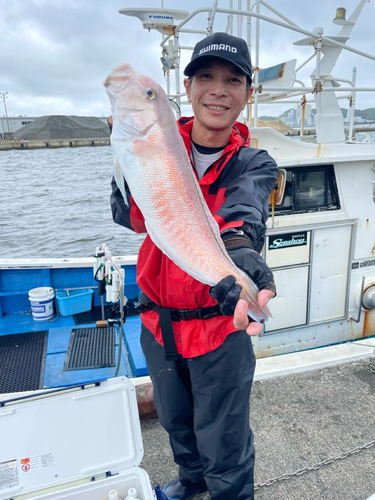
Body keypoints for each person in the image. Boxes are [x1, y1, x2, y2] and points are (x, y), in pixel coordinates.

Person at [110, 32, 278, 500]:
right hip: (160, 326)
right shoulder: (161, 143)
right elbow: (128, 215)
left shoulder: (252, 162)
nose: (218, 90)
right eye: (205, 77)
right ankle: (191, 483)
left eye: (232, 80)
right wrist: (124, 160)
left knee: (224, 440)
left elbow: (243, 216)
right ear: (187, 88)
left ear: (248, 93)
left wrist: (240, 257)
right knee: (178, 425)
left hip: (218, 328)